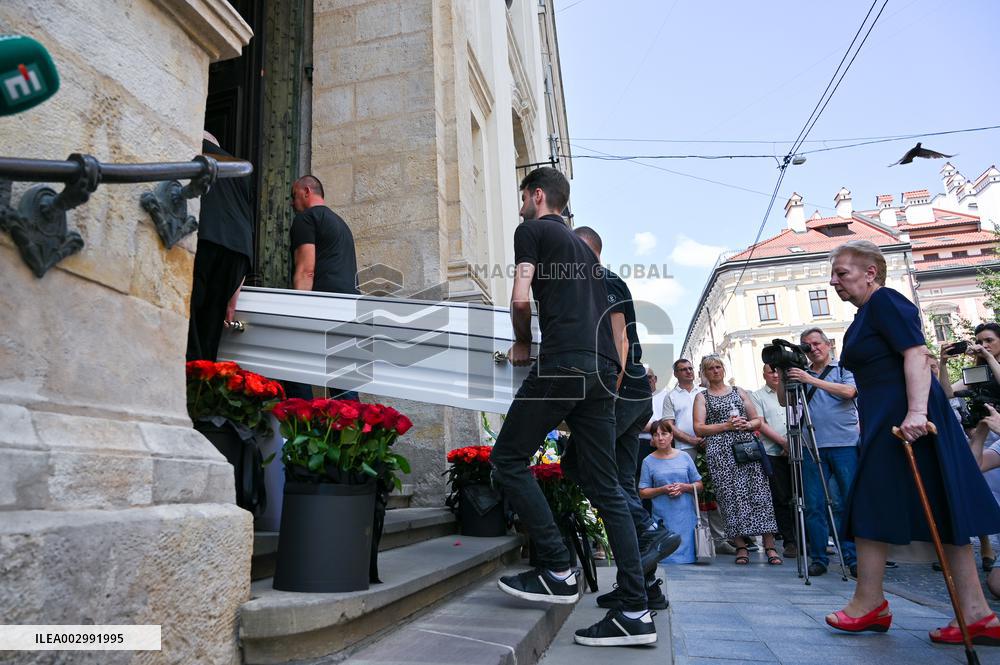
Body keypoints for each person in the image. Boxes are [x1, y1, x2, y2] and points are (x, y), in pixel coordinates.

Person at [490, 167, 656, 646]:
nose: (520, 204)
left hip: (565, 363)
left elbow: (520, 299)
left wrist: (522, 342)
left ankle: (556, 567)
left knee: (507, 460)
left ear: (537, 196)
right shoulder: (585, 250)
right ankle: (634, 609)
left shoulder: (532, 230)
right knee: (606, 488)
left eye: (523, 195)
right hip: (605, 372)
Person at [823, 239, 1000, 645]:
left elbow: (917, 354)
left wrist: (917, 413)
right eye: (833, 276)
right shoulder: (867, 312)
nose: (835, 282)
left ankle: (869, 603)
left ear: (871, 273)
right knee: (939, 507)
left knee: (870, 502)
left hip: (907, 419)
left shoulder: (886, 300)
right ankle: (976, 614)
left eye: (841, 273)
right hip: (888, 418)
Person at [573, 226, 680, 611]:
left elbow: (619, 338)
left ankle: (651, 531)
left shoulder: (600, 278)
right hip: (629, 390)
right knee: (617, 481)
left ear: (588, 250)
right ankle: (643, 584)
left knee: (583, 465)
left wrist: (608, 389)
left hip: (621, 388)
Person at [779, 327, 859, 577]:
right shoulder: (800, 373)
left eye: (816, 343)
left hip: (844, 443)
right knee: (813, 504)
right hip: (811, 445)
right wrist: (784, 374)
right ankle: (819, 557)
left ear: (828, 345)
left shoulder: (843, 368)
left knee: (846, 502)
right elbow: (785, 401)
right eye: (806, 345)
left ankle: (853, 556)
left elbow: (849, 392)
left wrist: (809, 379)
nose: (812, 349)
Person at [692, 355, 781, 566]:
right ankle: (740, 545)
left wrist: (748, 425)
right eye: (711, 368)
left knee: (760, 493)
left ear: (724, 369)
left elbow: (757, 420)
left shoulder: (739, 391)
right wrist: (726, 426)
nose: (715, 370)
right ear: (705, 373)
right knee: (729, 497)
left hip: (746, 449)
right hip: (720, 452)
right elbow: (699, 427)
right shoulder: (702, 397)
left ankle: (769, 545)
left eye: (718, 366)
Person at [286, 175, 360, 400]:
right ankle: (353, 434)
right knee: (343, 380)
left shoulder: (306, 219)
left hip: (323, 305)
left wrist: (298, 314)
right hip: (349, 307)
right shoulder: (340, 224)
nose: (291, 202)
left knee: (294, 365)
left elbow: (307, 270)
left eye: (293, 195)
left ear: (307, 191)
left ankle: (305, 431)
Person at [186, 133, 253, 361]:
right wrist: (232, 302)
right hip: (238, 251)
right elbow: (244, 220)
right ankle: (203, 377)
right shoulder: (238, 166)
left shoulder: (192, 148)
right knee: (211, 326)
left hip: (207, 237)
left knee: (189, 318)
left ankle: (189, 374)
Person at [639, 420, 703, 564]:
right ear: (652, 439)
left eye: (664, 434)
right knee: (665, 561)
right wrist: (662, 489)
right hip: (663, 519)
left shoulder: (684, 457)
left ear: (671, 436)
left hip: (686, 519)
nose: (660, 438)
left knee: (689, 564)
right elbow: (643, 492)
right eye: (656, 435)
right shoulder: (648, 461)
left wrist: (683, 487)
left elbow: (699, 485)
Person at [750, 363, 796, 558]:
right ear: (764, 374)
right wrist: (784, 443)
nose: (776, 375)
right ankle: (790, 541)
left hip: (798, 450)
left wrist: (793, 443)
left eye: (779, 371)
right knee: (781, 497)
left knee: (803, 496)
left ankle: (809, 538)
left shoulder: (794, 392)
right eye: (772, 372)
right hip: (773, 452)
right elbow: (760, 422)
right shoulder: (757, 396)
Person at [662, 359, 704, 461]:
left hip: (708, 443)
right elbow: (668, 425)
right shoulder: (670, 396)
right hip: (684, 447)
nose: (689, 371)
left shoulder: (704, 392)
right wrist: (691, 440)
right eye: (684, 369)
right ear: (676, 374)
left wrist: (707, 439)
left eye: (690, 368)